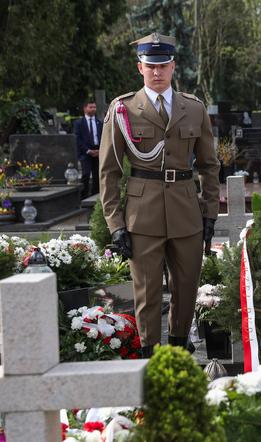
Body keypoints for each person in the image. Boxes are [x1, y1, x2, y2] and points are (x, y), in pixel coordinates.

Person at [99, 32, 220, 358]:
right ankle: (151, 358)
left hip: (186, 212)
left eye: (163, 65)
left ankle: (179, 352)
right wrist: (115, 223)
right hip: (143, 214)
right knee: (147, 292)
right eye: (151, 66)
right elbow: (109, 172)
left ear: (173, 66)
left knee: (186, 288)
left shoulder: (194, 109)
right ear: (140, 67)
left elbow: (210, 165)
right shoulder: (123, 110)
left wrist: (210, 213)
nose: (157, 72)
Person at [73, 101, 102, 198]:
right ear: (85, 108)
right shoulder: (79, 123)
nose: (93, 109)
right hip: (85, 153)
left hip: (97, 152)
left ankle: (96, 196)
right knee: (85, 174)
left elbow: (102, 137)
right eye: (91, 107)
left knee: (97, 175)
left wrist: (99, 150)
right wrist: (88, 150)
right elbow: (77, 139)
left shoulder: (99, 123)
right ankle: (84, 196)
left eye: (94, 107)